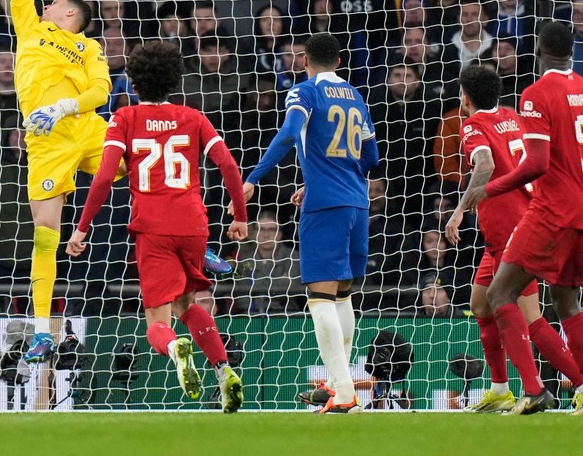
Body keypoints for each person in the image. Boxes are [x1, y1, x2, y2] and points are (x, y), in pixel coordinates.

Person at [66, 41, 249, 412]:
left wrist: (82, 227)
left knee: (158, 322)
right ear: (174, 80)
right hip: (194, 226)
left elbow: (103, 178)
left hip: (153, 228)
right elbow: (229, 167)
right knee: (188, 303)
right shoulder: (194, 116)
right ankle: (223, 370)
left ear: (133, 83)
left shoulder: (124, 118)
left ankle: (174, 348)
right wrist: (241, 217)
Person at [464, 21, 583, 415]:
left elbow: (534, 164)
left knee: (502, 295)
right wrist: (577, 170)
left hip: (550, 212)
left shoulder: (535, 95)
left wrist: (491, 189)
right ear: (572, 52)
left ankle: (533, 391)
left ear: (538, 48)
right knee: (567, 304)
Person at [242, 33, 379, 414]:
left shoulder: (303, 92)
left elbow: (288, 134)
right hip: (358, 204)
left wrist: (253, 178)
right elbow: (372, 156)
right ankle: (338, 382)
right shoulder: (355, 95)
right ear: (339, 61)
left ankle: (346, 393)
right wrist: (325, 178)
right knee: (342, 296)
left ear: (304, 60)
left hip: (326, 207)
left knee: (319, 298)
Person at [8, 0, 119, 363]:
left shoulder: (89, 46)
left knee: (155, 171)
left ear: (69, 14)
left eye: (54, 1)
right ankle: (41, 330)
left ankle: (203, 250)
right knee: (45, 234)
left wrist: (66, 106)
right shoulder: (29, 27)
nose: (47, 3)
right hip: (47, 140)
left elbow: (102, 91)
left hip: (86, 127)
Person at [446, 65, 583, 413]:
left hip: (514, 231)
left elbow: (484, 164)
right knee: (481, 305)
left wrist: (460, 208)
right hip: (508, 230)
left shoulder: (471, 126)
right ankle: (499, 388)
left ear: (465, 97)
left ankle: (580, 388)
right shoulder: (512, 117)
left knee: (531, 317)